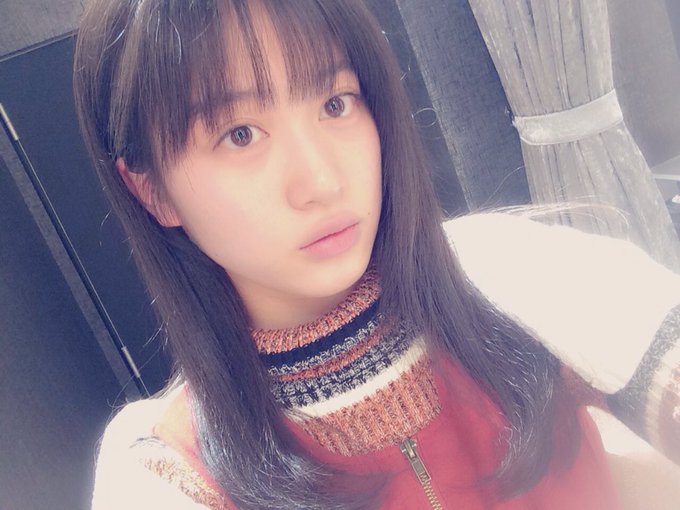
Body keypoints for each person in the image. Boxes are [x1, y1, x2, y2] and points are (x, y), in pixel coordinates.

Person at [73, 0, 680, 508]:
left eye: (335, 103)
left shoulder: (501, 271)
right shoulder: (171, 474)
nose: (322, 181)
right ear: (152, 191)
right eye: (241, 135)